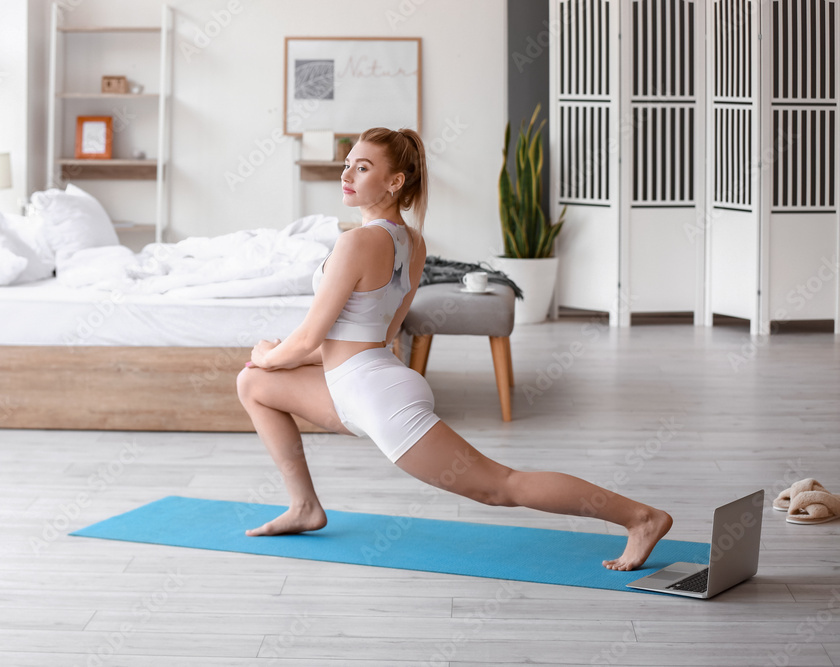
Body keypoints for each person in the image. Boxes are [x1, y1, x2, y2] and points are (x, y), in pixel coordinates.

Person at [236, 127, 672, 571]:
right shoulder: (413, 241)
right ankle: (305, 507)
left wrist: (270, 353)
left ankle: (640, 518)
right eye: (348, 164)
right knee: (253, 383)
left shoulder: (358, 242)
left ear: (394, 182)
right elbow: (373, 333)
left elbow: (310, 337)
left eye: (362, 167)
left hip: (375, 396)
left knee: (500, 487)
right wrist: (268, 365)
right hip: (362, 383)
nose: (347, 173)